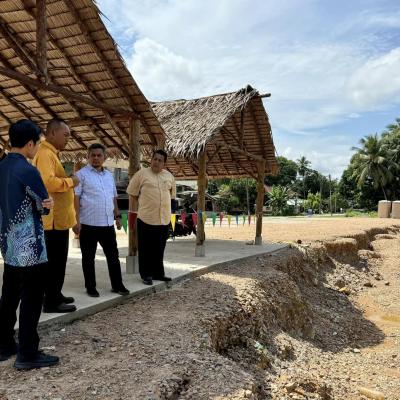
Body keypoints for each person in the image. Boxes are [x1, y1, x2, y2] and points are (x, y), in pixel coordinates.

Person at [0, 120, 59, 369]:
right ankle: (27, 352)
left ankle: (4, 345)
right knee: (32, 297)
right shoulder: (28, 170)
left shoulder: (1, 166)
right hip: (30, 246)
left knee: (10, 294)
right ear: (30, 143)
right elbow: (42, 203)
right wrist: (48, 205)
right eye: (38, 143)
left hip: (8, 242)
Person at [33, 119, 79, 313]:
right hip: (51, 221)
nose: (68, 138)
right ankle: (51, 302)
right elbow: (47, 182)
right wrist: (70, 181)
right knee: (54, 263)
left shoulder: (51, 154)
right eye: (65, 134)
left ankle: (55, 293)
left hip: (58, 220)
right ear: (52, 133)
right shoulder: (45, 154)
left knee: (58, 262)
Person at [73, 143, 129, 297]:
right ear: (88, 157)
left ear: (105, 157)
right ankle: (91, 287)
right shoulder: (81, 175)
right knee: (88, 258)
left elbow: (113, 197)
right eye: (93, 155)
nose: (96, 158)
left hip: (107, 224)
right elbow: (75, 198)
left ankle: (117, 285)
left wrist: (117, 216)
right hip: (88, 224)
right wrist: (76, 221)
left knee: (113, 256)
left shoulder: (109, 176)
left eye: (99, 155)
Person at [126, 149, 176, 285]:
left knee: (159, 248)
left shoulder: (169, 176)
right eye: (155, 159)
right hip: (145, 218)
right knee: (145, 249)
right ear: (151, 160)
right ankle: (146, 275)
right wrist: (137, 210)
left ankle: (159, 274)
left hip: (164, 219)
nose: (156, 162)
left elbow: (172, 197)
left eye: (160, 160)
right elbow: (132, 193)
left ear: (164, 163)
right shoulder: (141, 174)